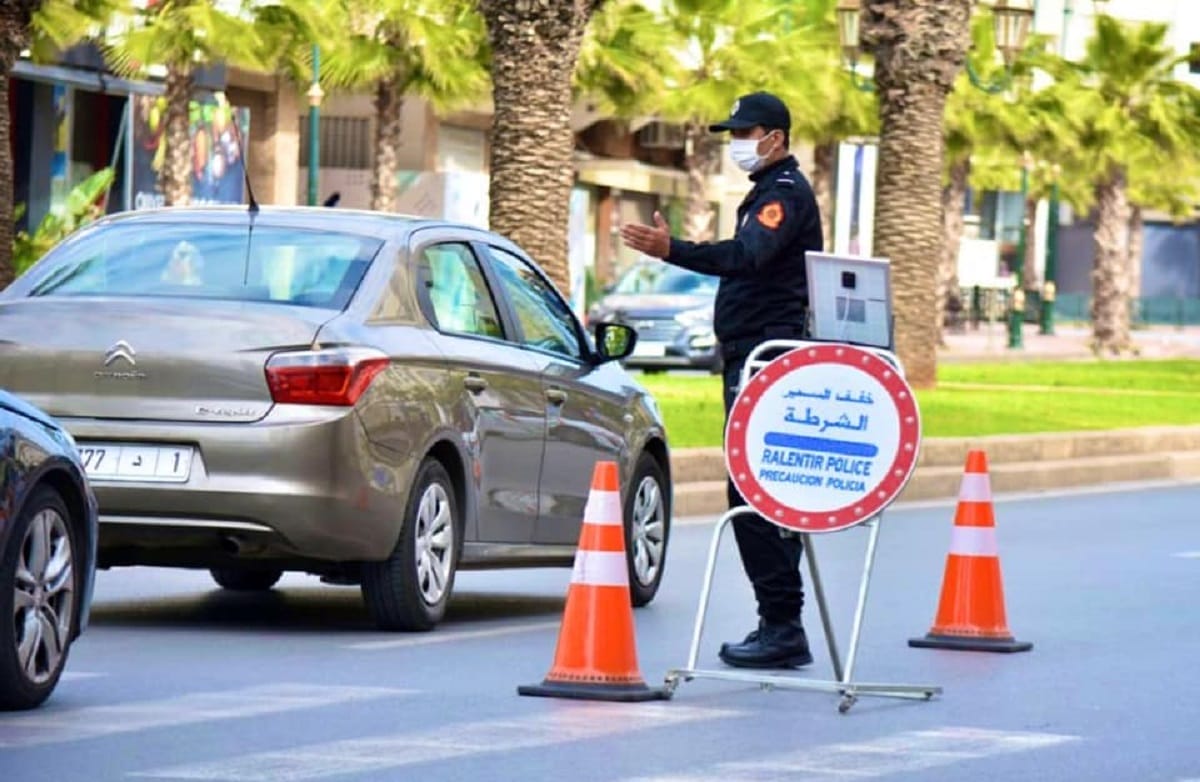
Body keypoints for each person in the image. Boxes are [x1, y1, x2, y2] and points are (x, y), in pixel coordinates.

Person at [620, 91, 823, 669]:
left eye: (745, 132)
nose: (737, 142)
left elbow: (746, 257)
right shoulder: (767, 192)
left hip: (765, 360)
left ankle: (782, 623)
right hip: (751, 358)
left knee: (756, 491)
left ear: (775, 138)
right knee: (758, 491)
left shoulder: (783, 195)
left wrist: (672, 249)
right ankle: (780, 623)